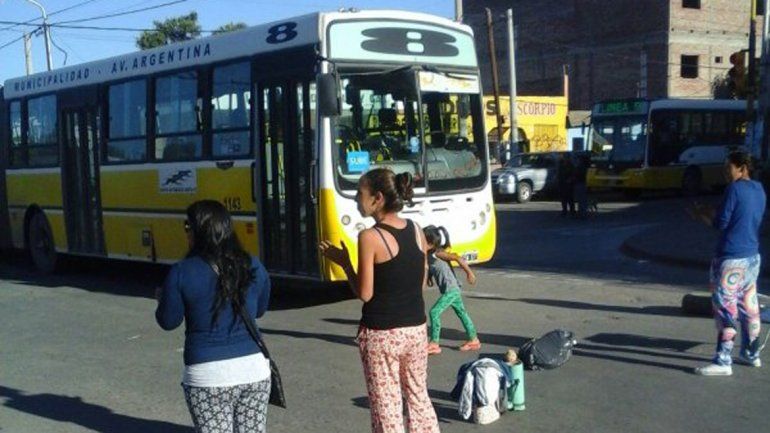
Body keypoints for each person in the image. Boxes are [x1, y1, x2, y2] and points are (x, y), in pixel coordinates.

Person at [319, 168, 440, 433]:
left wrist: (346, 265)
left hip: (381, 334)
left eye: (360, 193)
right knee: (419, 398)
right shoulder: (416, 230)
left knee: (387, 406)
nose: (355, 199)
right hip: (416, 329)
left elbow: (365, 294)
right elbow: (420, 283)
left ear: (378, 198)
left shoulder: (370, 237)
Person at [156, 200, 272, 432]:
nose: (186, 232)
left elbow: (169, 322)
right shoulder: (252, 265)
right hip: (254, 372)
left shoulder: (181, 271)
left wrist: (163, 298)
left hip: (208, 377)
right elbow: (259, 310)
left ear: (197, 231)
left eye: (187, 227)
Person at [689, 151, 766, 376]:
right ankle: (752, 354)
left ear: (742, 167)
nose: (725, 173)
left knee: (725, 307)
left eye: (728, 168)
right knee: (749, 306)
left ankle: (723, 360)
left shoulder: (734, 189)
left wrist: (701, 214)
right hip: (752, 255)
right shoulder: (759, 189)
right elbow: (745, 218)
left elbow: (721, 222)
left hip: (731, 257)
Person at [423, 225, 480, 355]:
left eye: (422, 240)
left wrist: (469, 273)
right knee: (462, 313)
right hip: (450, 289)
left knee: (434, 312)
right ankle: (473, 339)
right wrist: (430, 278)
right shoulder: (428, 255)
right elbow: (433, 268)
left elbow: (457, 258)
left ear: (430, 243)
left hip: (451, 289)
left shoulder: (438, 253)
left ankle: (434, 343)